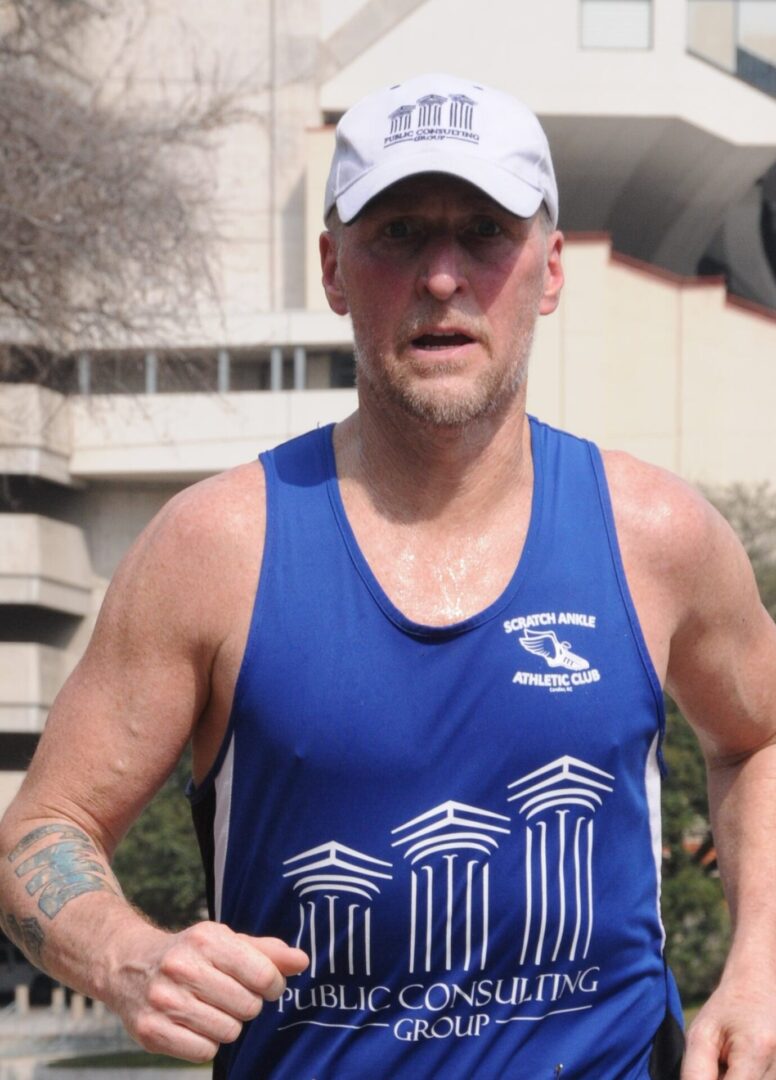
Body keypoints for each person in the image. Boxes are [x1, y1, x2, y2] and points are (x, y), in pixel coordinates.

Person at [0, 72, 775, 1080]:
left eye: (484, 233)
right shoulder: (216, 548)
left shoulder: (654, 534)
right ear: (332, 268)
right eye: (399, 232)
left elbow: (757, 738)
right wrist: (128, 955)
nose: (442, 277)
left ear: (548, 269)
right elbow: (41, 832)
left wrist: (757, 961)